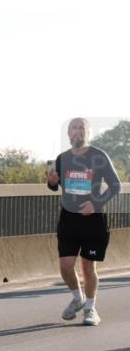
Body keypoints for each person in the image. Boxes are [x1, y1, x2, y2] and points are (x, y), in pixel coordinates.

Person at [46, 117, 122, 326]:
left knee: (88, 268)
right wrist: (51, 182)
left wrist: (95, 204)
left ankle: (90, 309)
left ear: (88, 133)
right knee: (65, 265)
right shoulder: (62, 158)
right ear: (69, 134)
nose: (78, 132)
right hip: (68, 220)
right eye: (74, 128)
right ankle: (77, 298)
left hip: (93, 220)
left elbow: (116, 186)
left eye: (82, 128)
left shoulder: (99, 156)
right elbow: (55, 185)